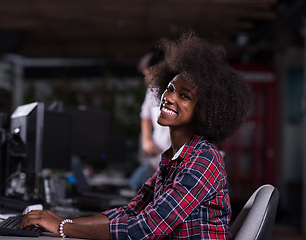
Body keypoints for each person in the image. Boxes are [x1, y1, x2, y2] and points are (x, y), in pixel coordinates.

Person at [20, 32, 251, 239]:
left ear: (205, 111)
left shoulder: (203, 159)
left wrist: (63, 227)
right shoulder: (173, 159)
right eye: (169, 88)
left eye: (185, 96)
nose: (169, 98)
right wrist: (64, 223)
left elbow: (146, 228)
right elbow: (131, 211)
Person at [128, 51, 171, 191]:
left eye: (150, 74)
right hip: (156, 157)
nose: (147, 79)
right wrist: (146, 140)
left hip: (172, 160)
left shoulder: (176, 90)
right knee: (133, 188)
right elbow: (145, 116)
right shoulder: (153, 90)